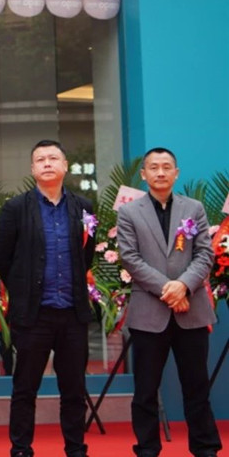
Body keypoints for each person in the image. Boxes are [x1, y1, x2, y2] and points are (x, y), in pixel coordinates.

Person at [0, 139, 96, 457]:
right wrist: (23, 290)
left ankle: (76, 449)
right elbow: (2, 259)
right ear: (32, 168)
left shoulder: (84, 207)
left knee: (74, 390)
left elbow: (87, 255)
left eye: (53, 158)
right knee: (25, 388)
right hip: (33, 315)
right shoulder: (15, 208)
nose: (47, 163)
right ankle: (21, 449)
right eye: (40, 159)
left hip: (72, 313)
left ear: (65, 166)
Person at [117, 147, 222, 457]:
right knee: (145, 390)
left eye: (166, 167)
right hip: (149, 315)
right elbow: (130, 258)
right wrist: (169, 289)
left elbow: (205, 254)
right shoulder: (129, 212)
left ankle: (205, 448)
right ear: (144, 174)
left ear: (176, 173)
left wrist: (184, 286)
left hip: (191, 311)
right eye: (154, 167)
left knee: (197, 387)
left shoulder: (194, 208)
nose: (160, 172)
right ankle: (147, 449)